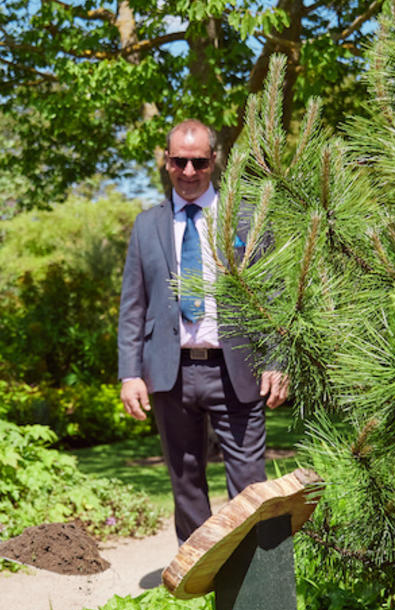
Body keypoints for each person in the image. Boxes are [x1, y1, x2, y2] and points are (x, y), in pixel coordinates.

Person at [117, 119, 289, 545]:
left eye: (198, 162)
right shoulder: (147, 226)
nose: (188, 172)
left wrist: (277, 359)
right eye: (179, 161)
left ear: (215, 161)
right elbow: (133, 307)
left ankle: (253, 584)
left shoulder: (246, 219)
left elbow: (275, 294)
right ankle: (198, 586)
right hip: (170, 374)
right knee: (186, 485)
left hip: (236, 370)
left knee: (250, 485)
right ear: (166, 161)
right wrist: (129, 373)